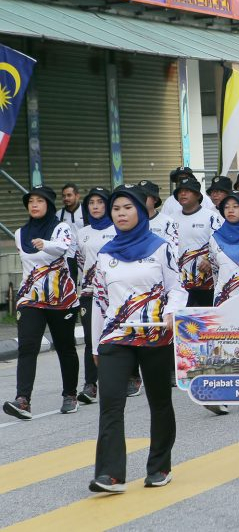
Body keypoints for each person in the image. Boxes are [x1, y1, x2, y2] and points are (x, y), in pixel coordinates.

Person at [87, 185, 187, 493]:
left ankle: (159, 466)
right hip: (116, 337)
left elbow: (177, 288)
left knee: (159, 401)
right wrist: (95, 346)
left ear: (140, 212)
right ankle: (110, 475)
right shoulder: (105, 254)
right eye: (116, 209)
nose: (120, 213)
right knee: (111, 404)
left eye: (127, 208)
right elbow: (100, 302)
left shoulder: (161, 247)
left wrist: (172, 314)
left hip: (154, 334)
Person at [3, 187, 80, 420]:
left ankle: (70, 395)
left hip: (61, 299)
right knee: (27, 347)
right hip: (31, 299)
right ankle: (23, 400)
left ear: (48, 204)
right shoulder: (20, 233)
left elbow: (62, 248)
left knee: (65, 347)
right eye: (30, 201)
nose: (34, 205)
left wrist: (45, 244)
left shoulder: (61, 227)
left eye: (39, 201)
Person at [75, 187, 117, 405]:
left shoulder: (118, 229)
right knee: (93, 337)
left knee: (118, 335)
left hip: (116, 292)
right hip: (89, 292)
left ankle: (130, 376)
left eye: (100, 202)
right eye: (91, 203)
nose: (96, 206)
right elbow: (81, 262)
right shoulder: (82, 233)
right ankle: (90, 385)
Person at [174, 178, 220, 307]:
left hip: (206, 280)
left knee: (207, 321)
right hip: (180, 282)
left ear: (198, 195)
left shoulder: (211, 216)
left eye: (187, 191)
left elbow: (219, 243)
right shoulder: (171, 218)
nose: (183, 194)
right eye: (180, 191)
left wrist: (210, 260)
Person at [56, 183, 84, 281]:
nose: (66, 198)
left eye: (69, 195)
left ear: (77, 196)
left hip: (84, 254)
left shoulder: (86, 211)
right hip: (68, 256)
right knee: (70, 284)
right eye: (64, 196)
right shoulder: (59, 215)